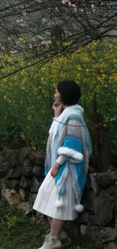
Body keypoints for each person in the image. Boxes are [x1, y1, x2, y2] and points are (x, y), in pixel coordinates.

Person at [32, 81, 92, 249]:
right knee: (45, 198)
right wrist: (57, 113)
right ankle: (58, 233)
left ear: (63, 95)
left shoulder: (73, 117)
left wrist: (57, 165)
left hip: (67, 169)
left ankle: (53, 239)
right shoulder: (66, 114)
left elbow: (71, 145)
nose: (55, 94)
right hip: (58, 167)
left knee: (60, 204)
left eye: (57, 91)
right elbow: (57, 134)